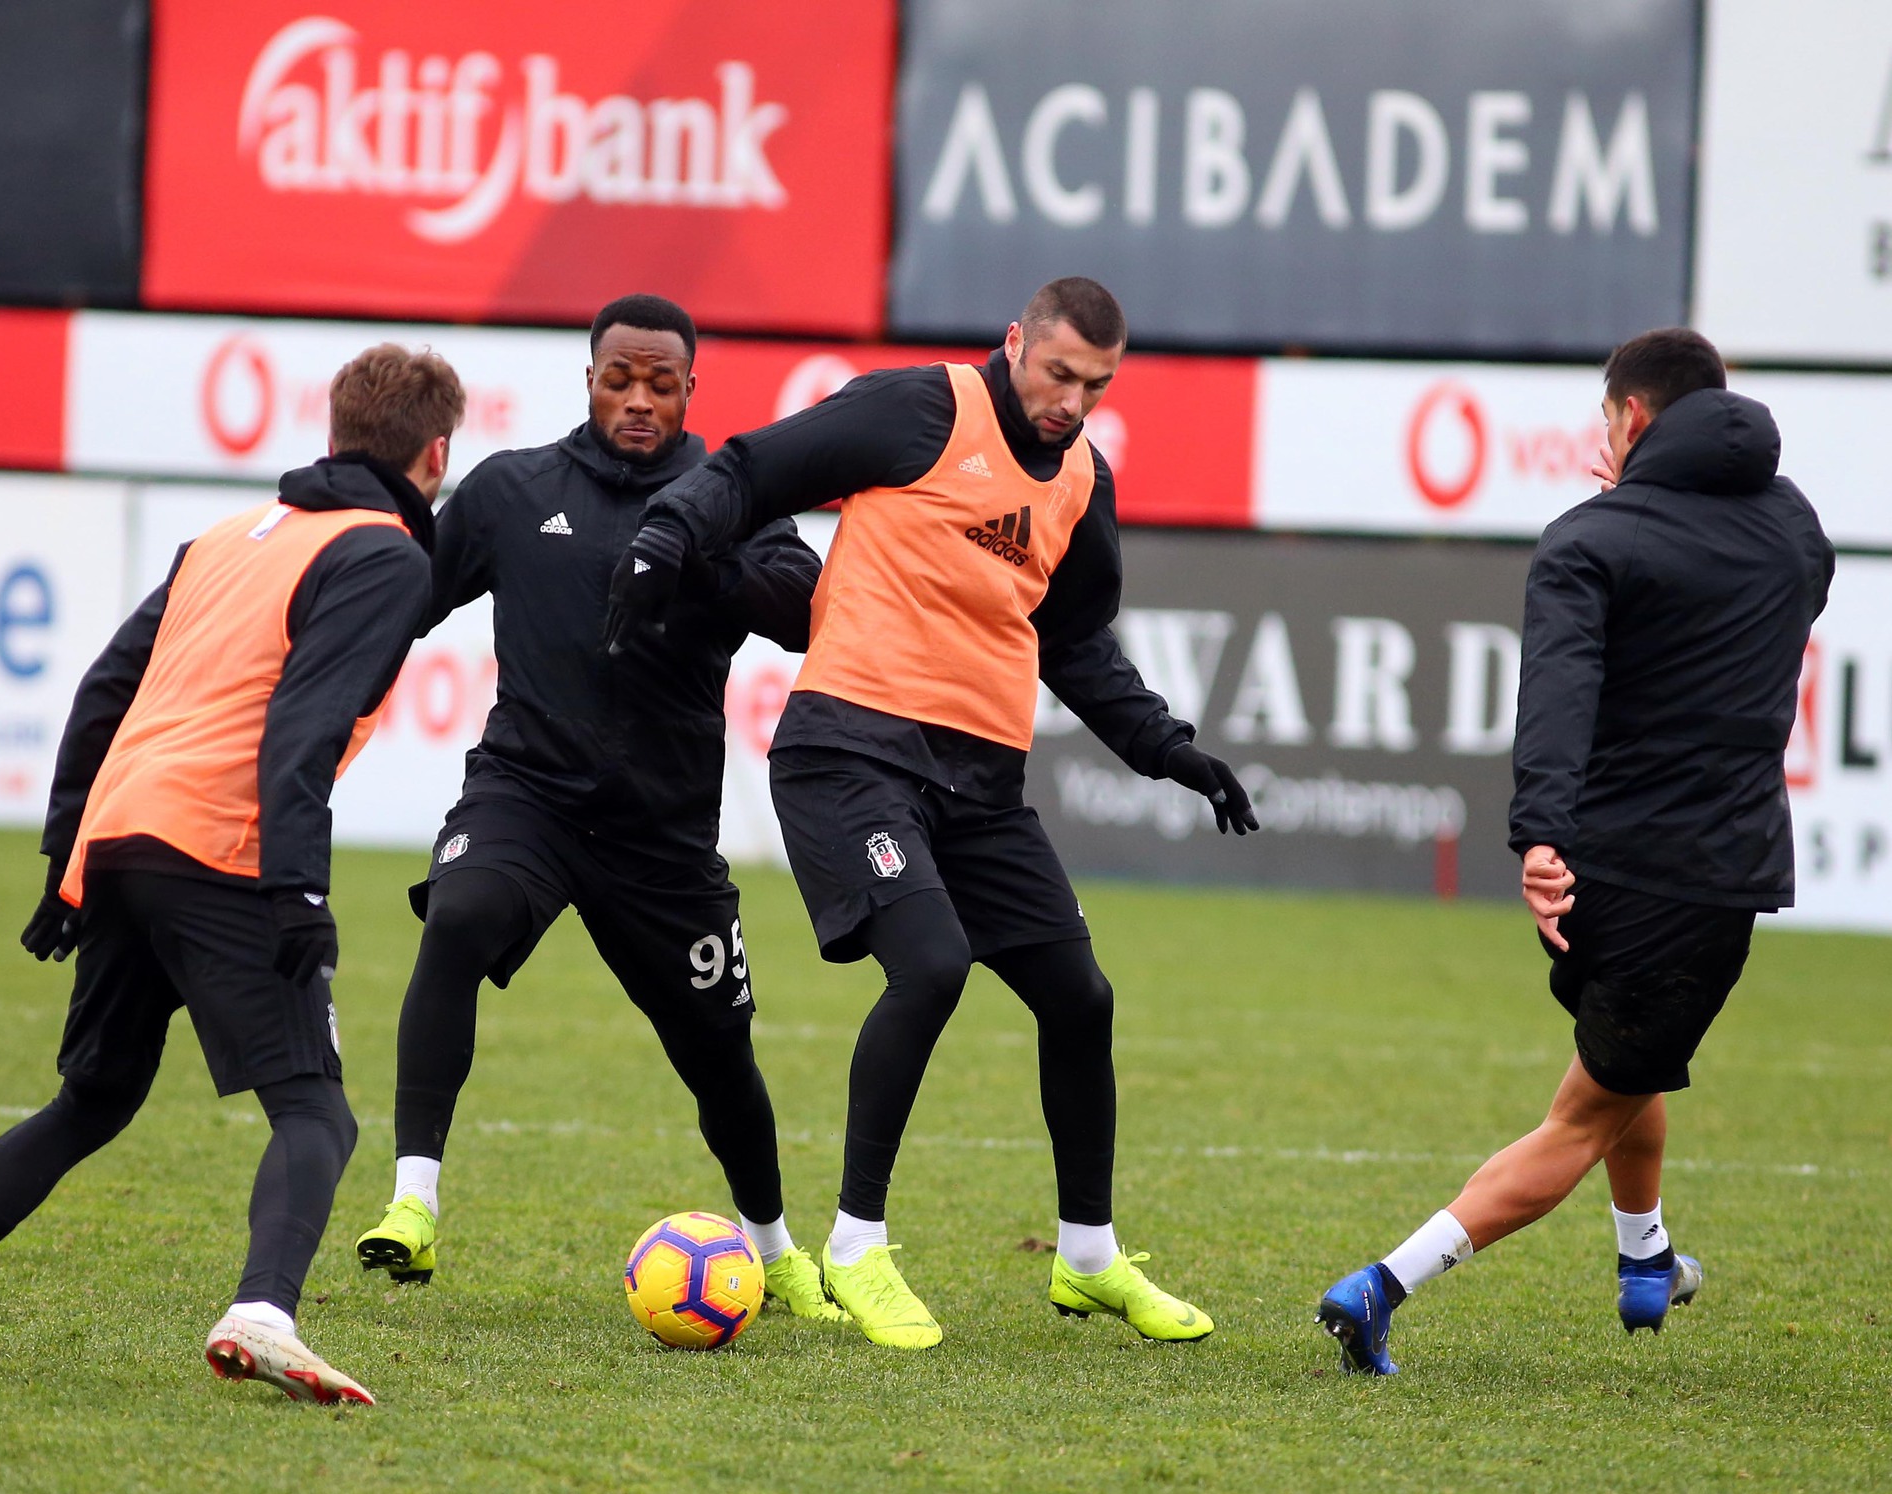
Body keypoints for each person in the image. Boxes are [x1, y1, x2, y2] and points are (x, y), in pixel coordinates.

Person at [605, 276, 1258, 1350]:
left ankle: (1088, 1257)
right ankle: (856, 1244)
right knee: (933, 963)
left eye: (1095, 385)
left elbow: (1073, 641)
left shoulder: (1081, 478)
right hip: (849, 751)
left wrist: (1167, 748)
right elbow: (754, 469)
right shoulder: (918, 409)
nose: (1071, 401)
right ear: (1015, 344)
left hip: (979, 784)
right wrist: (666, 535)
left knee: (1079, 996)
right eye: (1058, 373)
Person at [0, 345, 465, 1404]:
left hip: (125, 837)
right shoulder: (384, 554)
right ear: (436, 454)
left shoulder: (222, 538)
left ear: (334, 434)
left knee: (91, 1099)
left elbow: (103, 691)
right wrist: (298, 892)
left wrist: (67, 858)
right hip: (218, 850)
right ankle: (264, 1313)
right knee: (316, 1112)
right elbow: (303, 727)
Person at [1316, 328, 1836, 1375]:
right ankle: (1377, 1288)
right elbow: (1772, 595)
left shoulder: (1589, 538)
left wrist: (1542, 836)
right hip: (1699, 879)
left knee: (1628, 1065)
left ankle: (1645, 1258)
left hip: (1593, 872)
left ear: (1631, 418)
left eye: (1606, 419)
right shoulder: (1794, 529)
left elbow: (1557, 696)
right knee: (1582, 1115)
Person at [350, 296, 842, 1323]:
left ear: (691, 389)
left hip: (661, 836)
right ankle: (413, 1200)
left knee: (719, 1056)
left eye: (660, 382)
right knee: (459, 915)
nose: (638, 399)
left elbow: (805, 607)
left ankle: (772, 1246)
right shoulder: (512, 489)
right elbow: (404, 598)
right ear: (589, 380)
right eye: (620, 378)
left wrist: (696, 557)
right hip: (525, 795)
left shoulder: (733, 496)